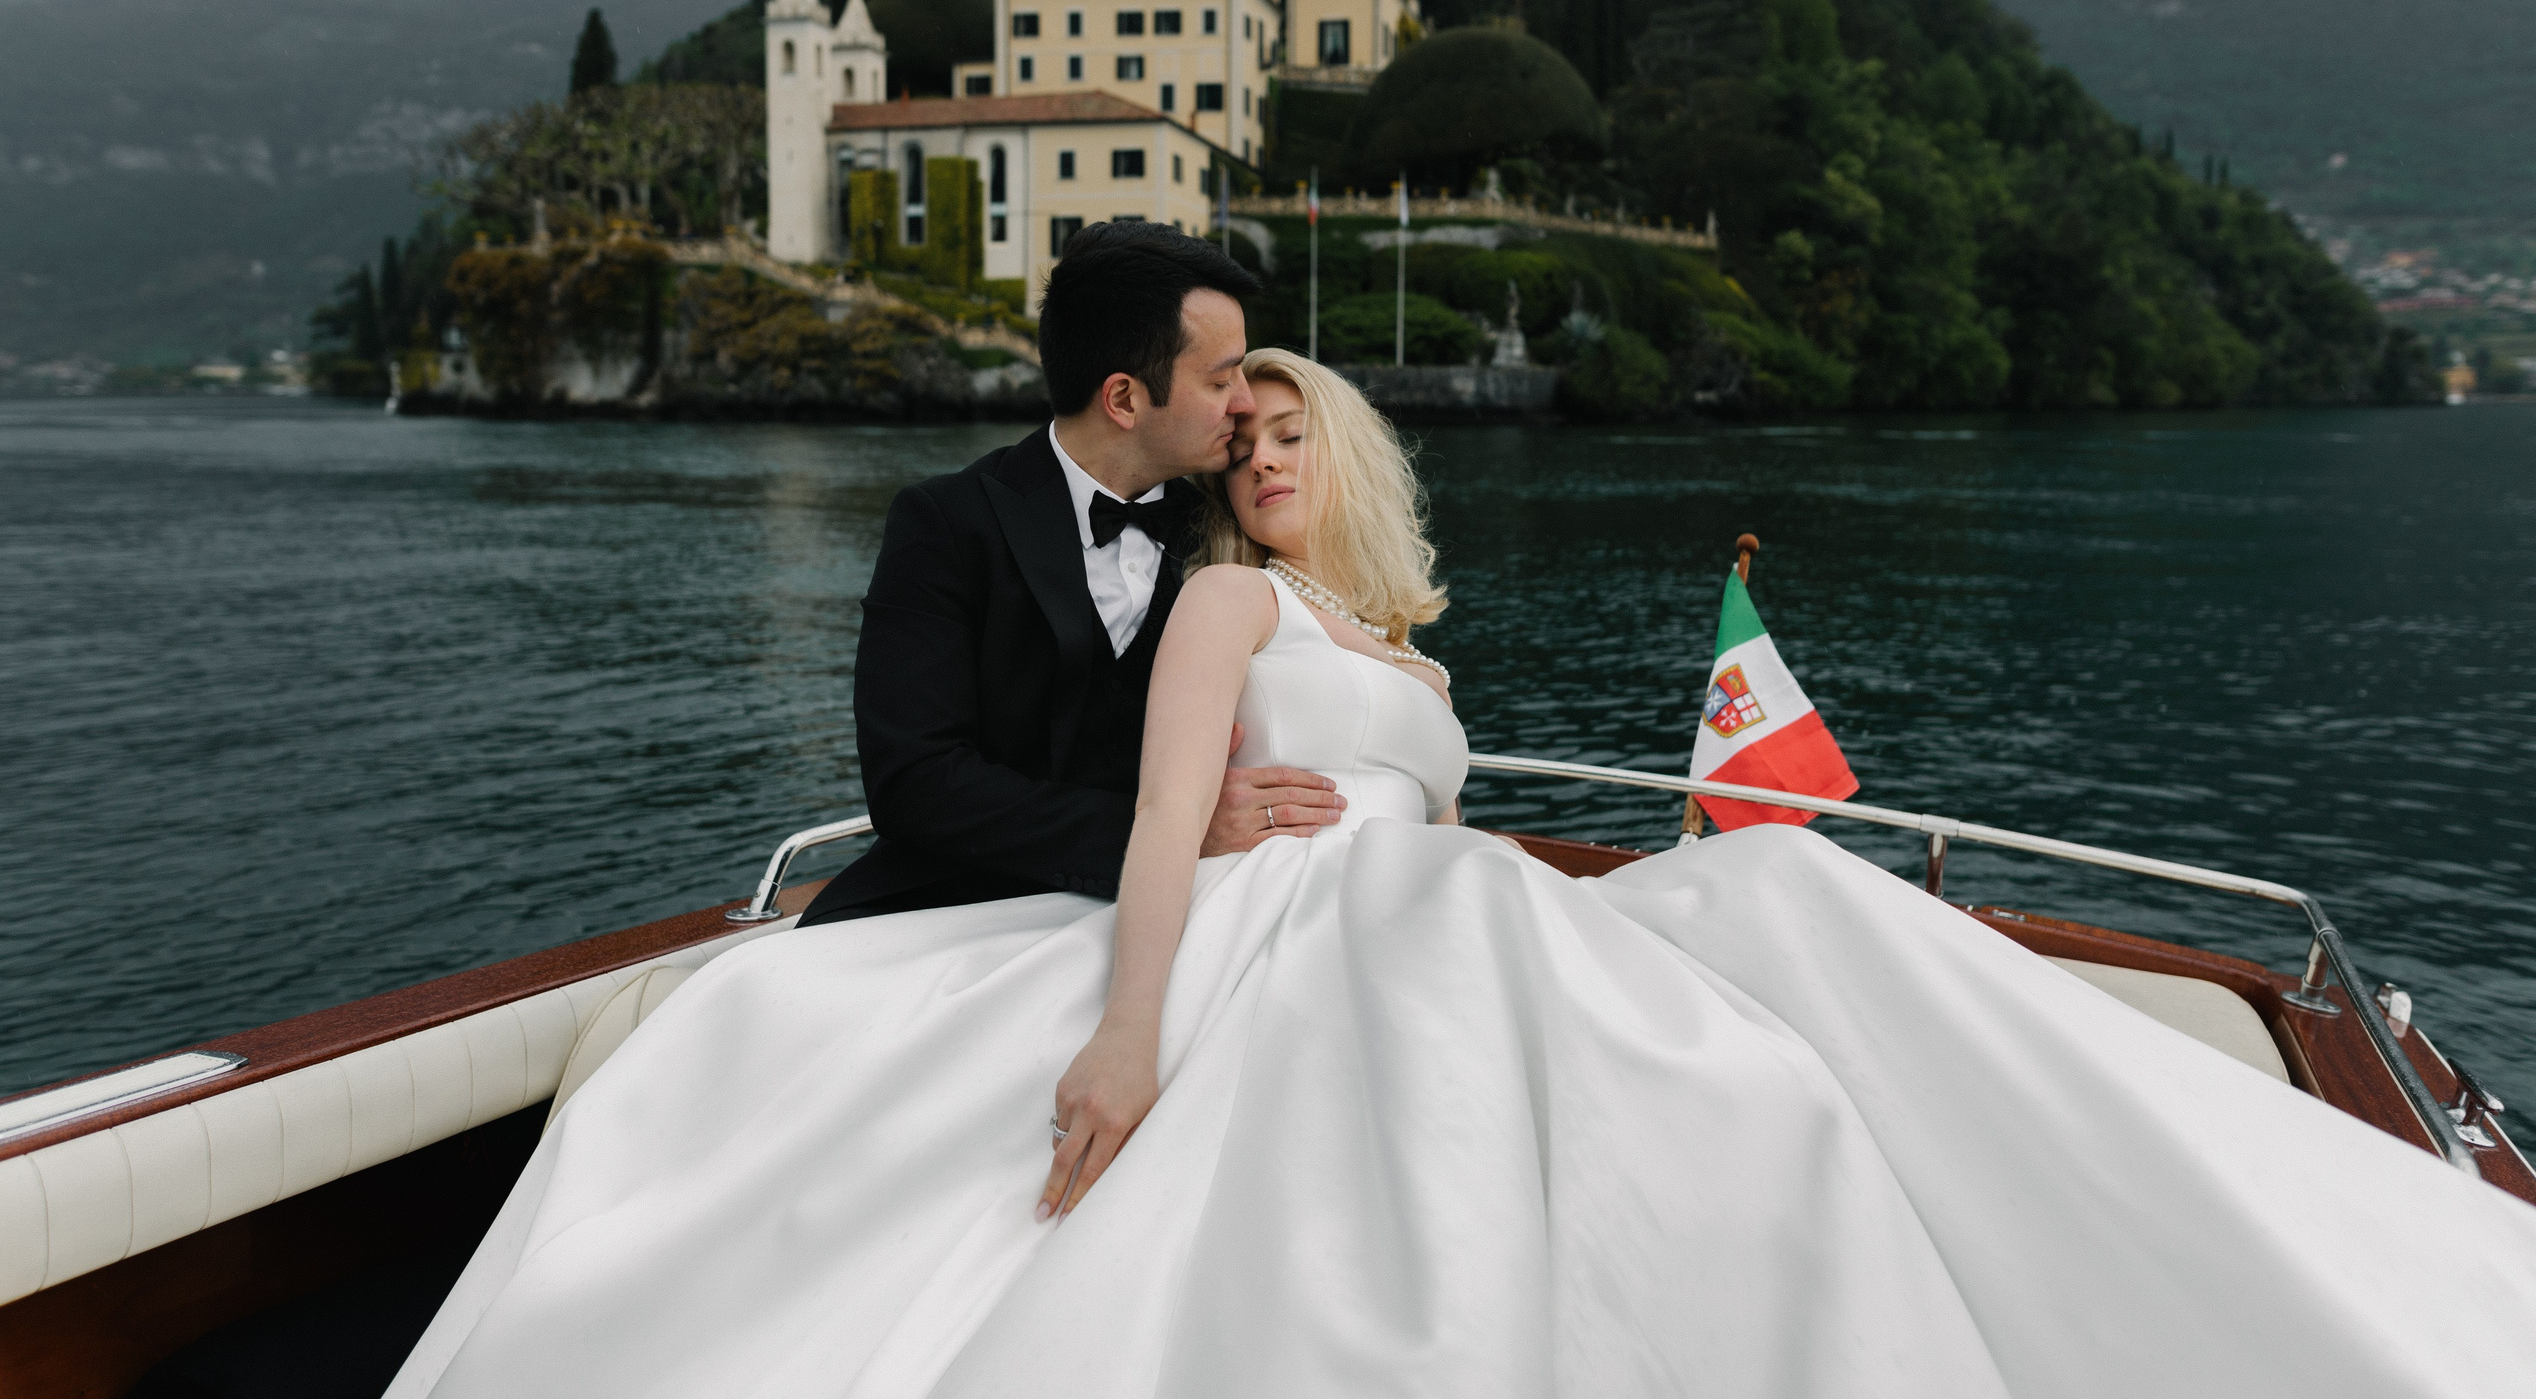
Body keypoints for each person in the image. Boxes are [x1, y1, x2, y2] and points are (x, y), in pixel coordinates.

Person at [392, 355, 2536, 1399]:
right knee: (1721, 1001)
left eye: (1280, 436)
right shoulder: (1225, 612)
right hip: (1289, 936)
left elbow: (1427, 803)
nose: (1251, 463)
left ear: (1348, 449)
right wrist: (1125, 1036)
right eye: (1232, 446)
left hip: (1440, 907)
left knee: (1792, 909)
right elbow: (1163, 823)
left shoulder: (1402, 658)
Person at [799, 220, 1347, 928]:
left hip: (1191, 909)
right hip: (954, 911)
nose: (1244, 403)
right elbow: (915, 785)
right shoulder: (942, 523)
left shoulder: (1232, 522)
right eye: (1220, 378)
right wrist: (1172, 830)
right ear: (1122, 399)